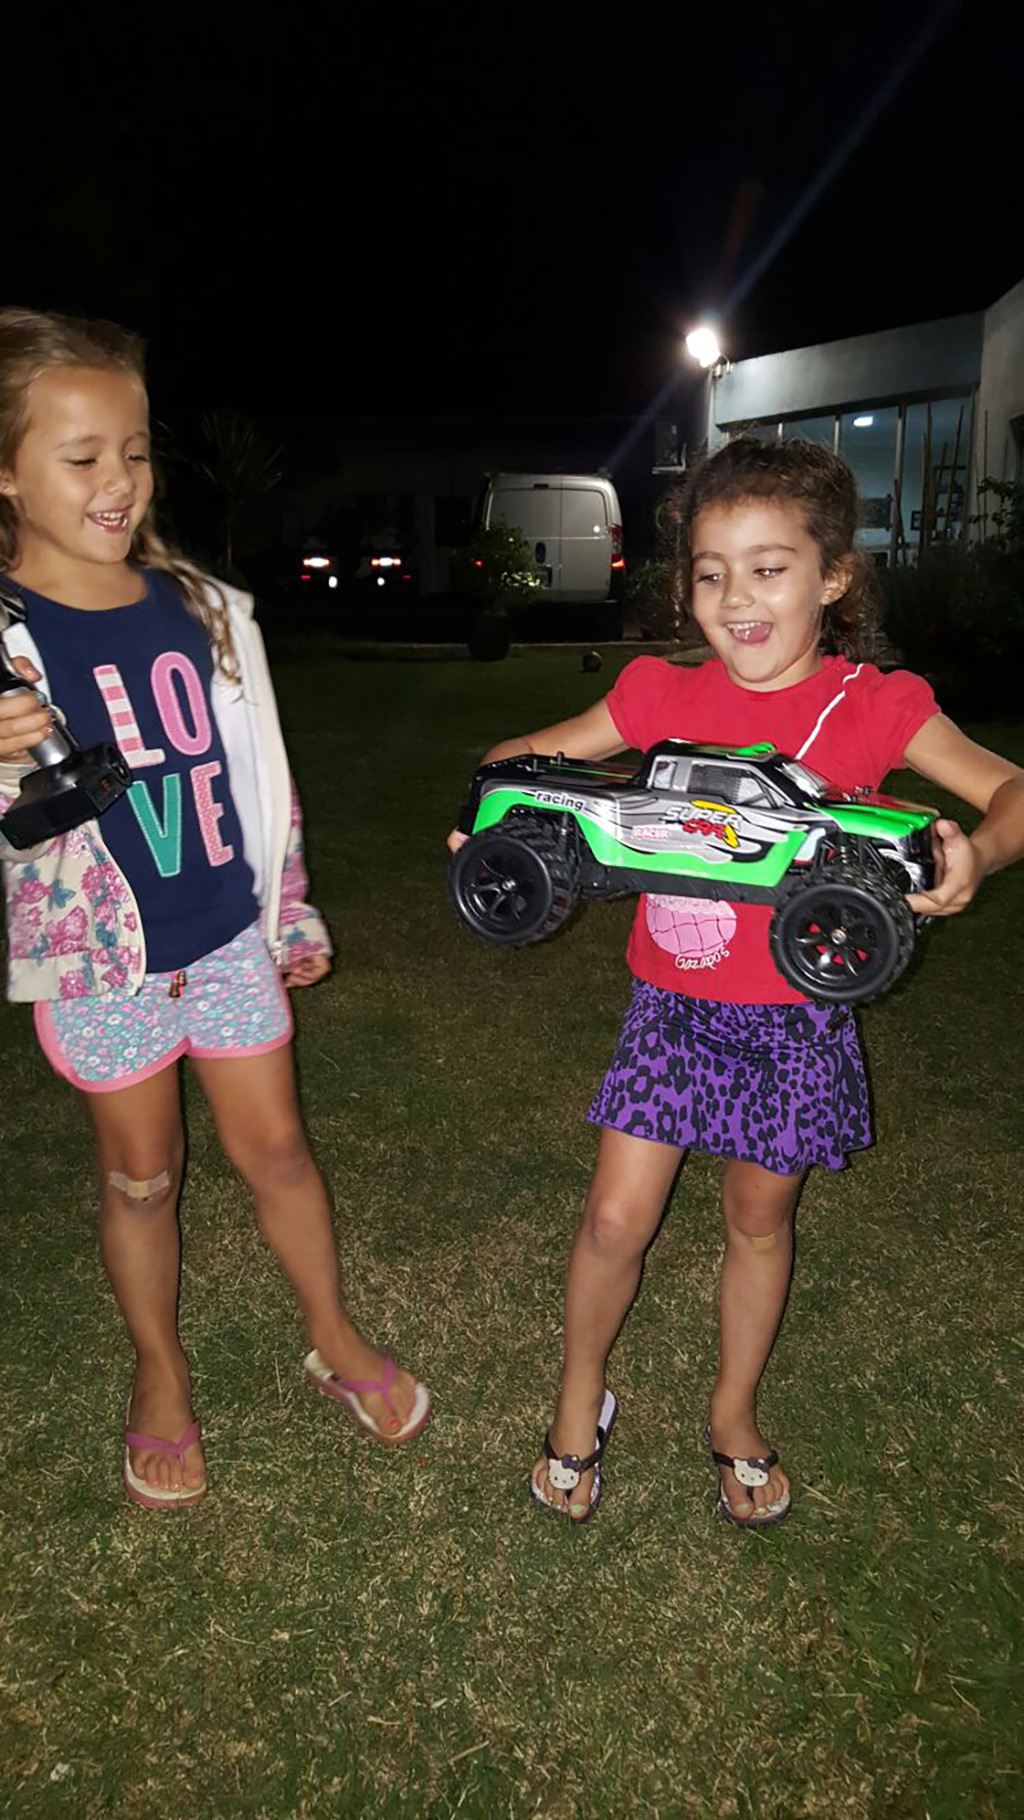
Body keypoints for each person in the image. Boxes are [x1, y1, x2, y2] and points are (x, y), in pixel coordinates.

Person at [449, 436, 1024, 1527]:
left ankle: (733, 1410)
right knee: (614, 1218)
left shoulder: (872, 705)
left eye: (770, 568)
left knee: (759, 1218)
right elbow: (526, 754)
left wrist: (977, 856)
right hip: (670, 1007)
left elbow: (1011, 791)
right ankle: (578, 1396)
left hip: (797, 1015)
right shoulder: (658, 691)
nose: (736, 599)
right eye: (712, 573)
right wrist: (493, 814)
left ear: (833, 577)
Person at [0, 308, 430, 1510]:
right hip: (100, 963)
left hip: (227, 937)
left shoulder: (203, 607)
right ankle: (159, 1367)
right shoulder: (7, 642)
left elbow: (260, 775)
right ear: (6, 472)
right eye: (82, 456)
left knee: (278, 1151)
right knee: (142, 1176)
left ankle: (332, 1337)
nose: (119, 480)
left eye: (135, 451)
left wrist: (286, 910)